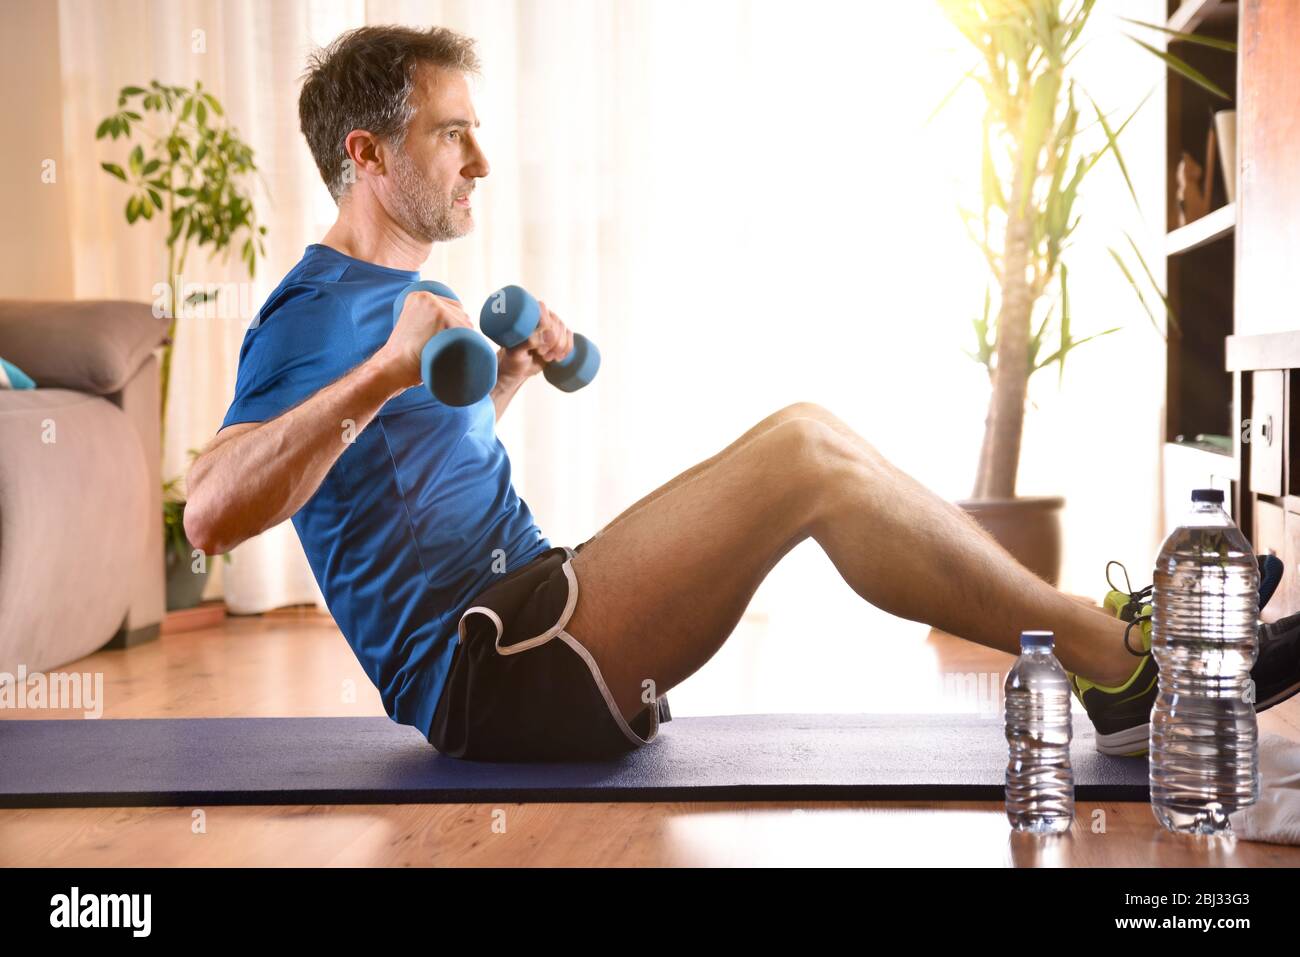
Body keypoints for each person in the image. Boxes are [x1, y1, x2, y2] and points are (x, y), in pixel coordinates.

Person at [184, 24, 1300, 763]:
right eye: (452, 133)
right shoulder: (318, 310)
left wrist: (505, 382)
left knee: (810, 440)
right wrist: (384, 369)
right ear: (367, 154)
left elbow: (397, 478)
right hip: (488, 672)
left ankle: (1115, 646)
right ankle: (1121, 672)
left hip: (535, 602)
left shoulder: (399, 295)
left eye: (479, 131)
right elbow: (211, 510)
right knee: (802, 453)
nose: (480, 160)